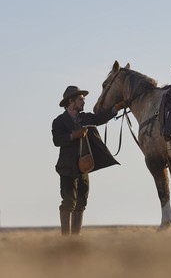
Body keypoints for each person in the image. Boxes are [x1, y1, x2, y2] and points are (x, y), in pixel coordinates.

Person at [51, 85, 125, 236]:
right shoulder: (59, 121)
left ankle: (76, 239)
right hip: (67, 168)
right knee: (68, 202)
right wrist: (74, 135)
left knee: (81, 202)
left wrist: (116, 108)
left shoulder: (85, 117)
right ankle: (65, 239)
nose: (83, 102)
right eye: (80, 99)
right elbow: (57, 140)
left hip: (84, 168)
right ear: (71, 101)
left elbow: (100, 118)